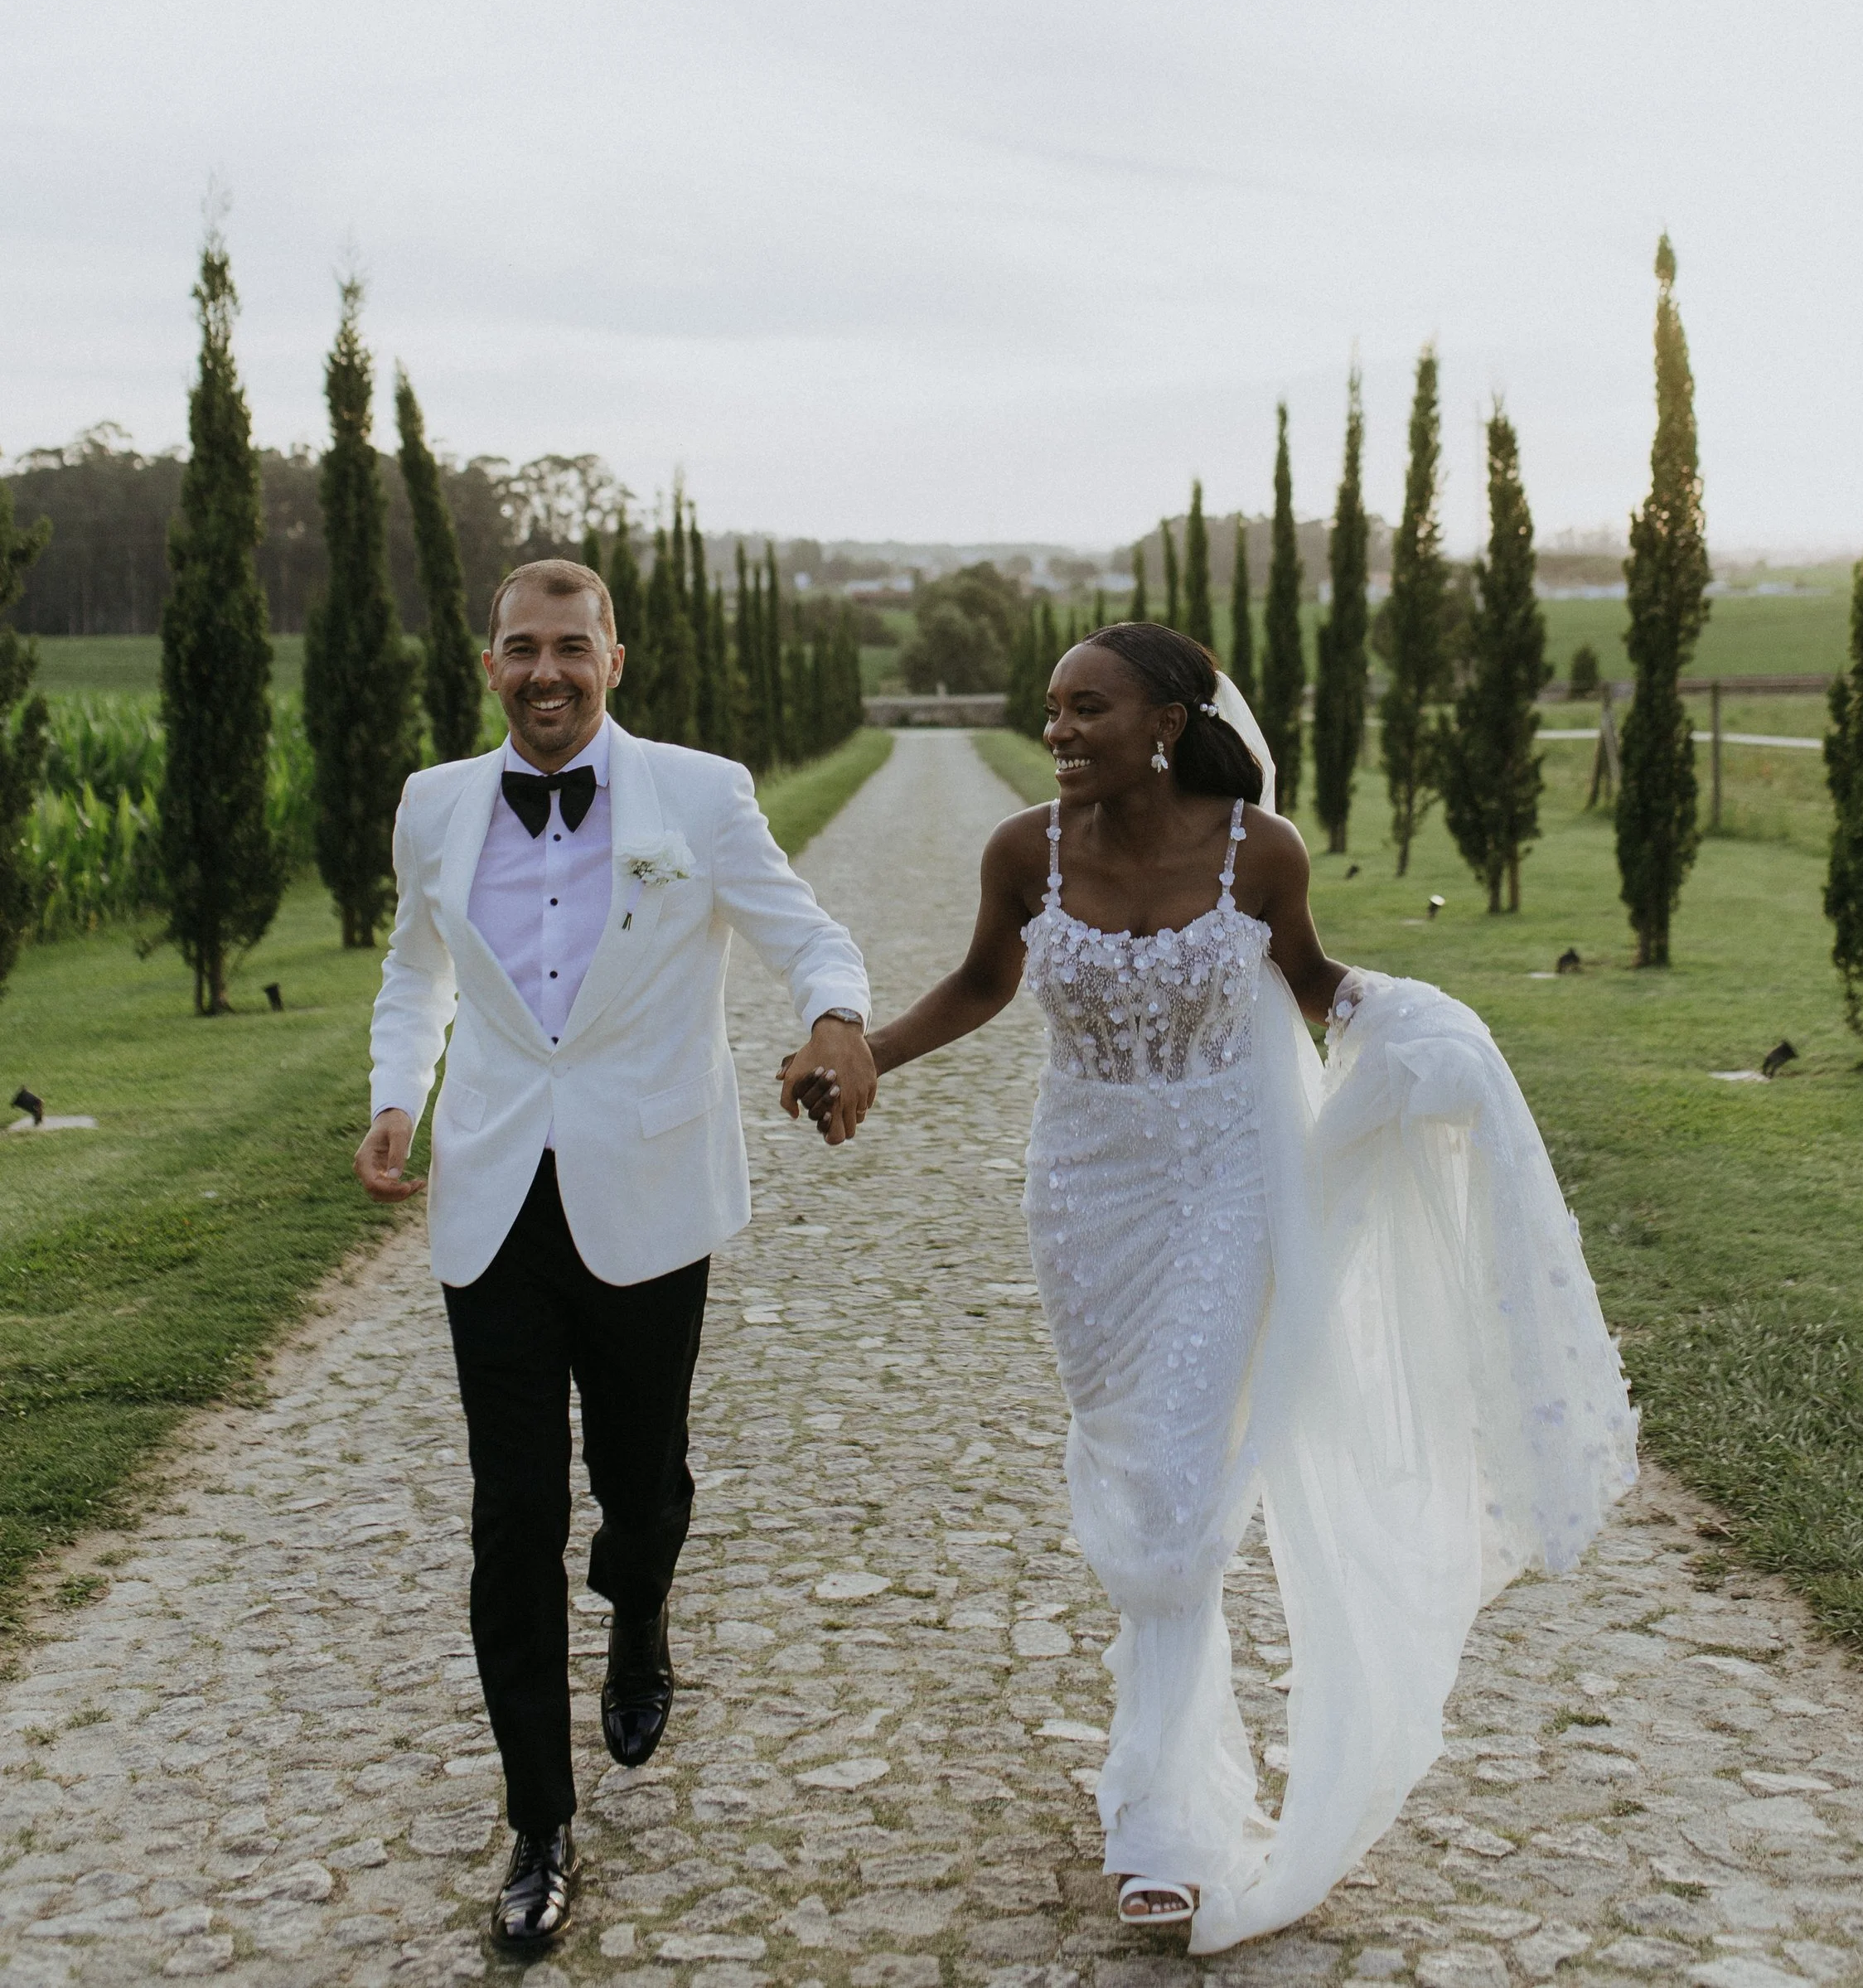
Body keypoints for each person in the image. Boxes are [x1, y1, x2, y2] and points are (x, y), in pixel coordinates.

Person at [854, 623, 1636, 1952]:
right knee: (1130, 1456)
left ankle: (1166, 1817)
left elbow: (1314, 986)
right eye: (1050, 709)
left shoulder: (1257, 852)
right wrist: (868, 1053)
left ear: (1165, 720)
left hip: (1227, 1181)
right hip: (1084, 1188)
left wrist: (1420, 1035)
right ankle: (1159, 1743)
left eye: (1086, 707)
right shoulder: (1022, 851)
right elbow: (986, 983)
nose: (1060, 729)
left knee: (1174, 1487)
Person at [354, 559, 875, 1957]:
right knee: (509, 1515)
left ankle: (640, 1603)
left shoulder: (699, 795)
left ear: (615, 660)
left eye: (570, 648)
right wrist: (397, 1087)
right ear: (489, 664)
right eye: (520, 648)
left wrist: (835, 1015)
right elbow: (417, 971)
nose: (545, 673)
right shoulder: (434, 803)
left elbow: (807, 933)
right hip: (492, 1200)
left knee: (639, 1484)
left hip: (648, 1187)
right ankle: (538, 1818)